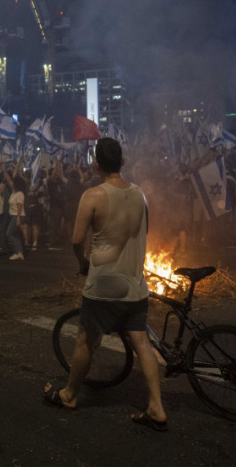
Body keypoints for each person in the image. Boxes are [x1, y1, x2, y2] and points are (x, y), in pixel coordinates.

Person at [41, 138, 167, 432]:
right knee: (142, 343)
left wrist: (82, 263)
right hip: (135, 285)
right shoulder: (140, 195)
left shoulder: (92, 196)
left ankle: (70, 395)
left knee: (86, 339)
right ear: (122, 162)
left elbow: (75, 240)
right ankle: (157, 407)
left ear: (95, 164)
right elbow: (144, 231)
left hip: (103, 286)